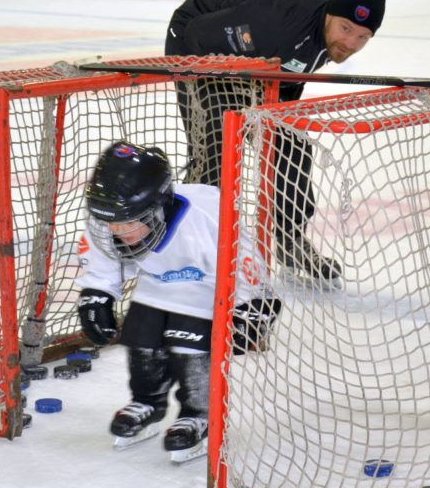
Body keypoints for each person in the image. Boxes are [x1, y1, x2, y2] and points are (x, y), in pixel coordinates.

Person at [164, 0, 390, 283]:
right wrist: (244, 97)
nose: (350, 42)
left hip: (258, 61)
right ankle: (190, 239)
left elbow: (292, 70)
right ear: (331, 16)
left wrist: (271, 109)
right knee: (219, 144)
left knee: (292, 145)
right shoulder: (277, 25)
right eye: (345, 29)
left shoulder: (327, 32)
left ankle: (289, 238)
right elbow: (199, 34)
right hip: (197, 43)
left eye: (362, 37)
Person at [75, 141, 280, 462]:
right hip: (160, 282)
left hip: (210, 287)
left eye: (127, 225)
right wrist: (96, 294)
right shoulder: (113, 215)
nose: (118, 231)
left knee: (189, 338)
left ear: (158, 207)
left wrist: (254, 309)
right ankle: (148, 401)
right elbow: (103, 256)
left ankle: (197, 413)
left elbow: (247, 263)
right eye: (113, 224)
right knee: (142, 334)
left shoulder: (207, 219)